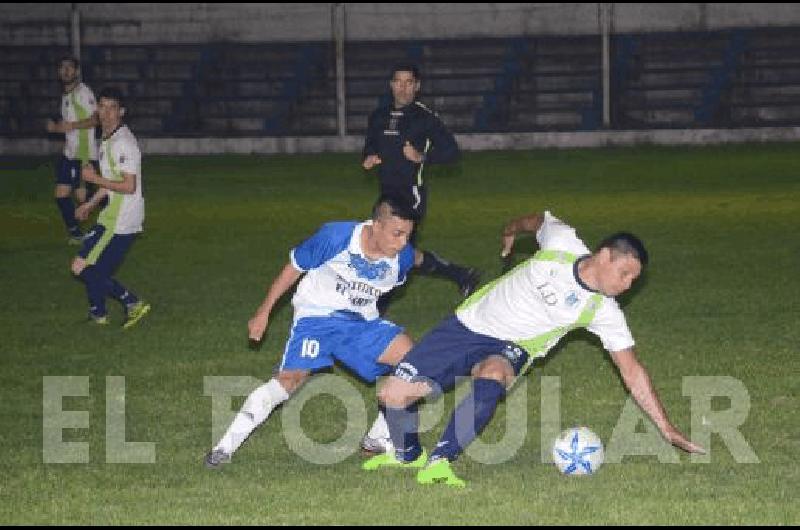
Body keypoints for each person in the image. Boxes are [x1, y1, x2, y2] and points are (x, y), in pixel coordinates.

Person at [363, 211, 706, 487]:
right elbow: (535, 221)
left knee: (494, 374)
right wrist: (511, 229)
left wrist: (666, 426)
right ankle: (407, 455)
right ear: (603, 256)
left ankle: (441, 460)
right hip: (466, 325)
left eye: (633, 279)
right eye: (625, 273)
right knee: (393, 396)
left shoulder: (603, 312)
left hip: (514, 346)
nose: (627, 284)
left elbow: (632, 370)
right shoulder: (562, 242)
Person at [204, 195, 420, 469]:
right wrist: (264, 311)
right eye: (397, 234)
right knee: (289, 379)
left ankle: (377, 439)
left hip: (362, 323)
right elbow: (294, 268)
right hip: (318, 318)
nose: (402, 243)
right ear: (376, 225)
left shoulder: (403, 258)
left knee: (418, 364)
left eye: (408, 236)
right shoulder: (336, 236)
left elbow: (385, 285)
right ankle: (223, 449)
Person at [362, 63, 480, 300]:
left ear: (417, 86)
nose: (403, 88)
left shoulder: (425, 118)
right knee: (393, 248)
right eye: (398, 82)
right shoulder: (378, 116)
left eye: (408, 83)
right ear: (391, 85)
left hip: (410, 194)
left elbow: (452, 152)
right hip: (386, 193)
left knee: (393, 250)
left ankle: (376, 305)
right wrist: (369, 156)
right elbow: (371, 144)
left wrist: (421, 157)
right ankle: (461, 274)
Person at [70, 87, 150, 329]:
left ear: (121, 112)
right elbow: (111, 183)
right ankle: (99, 315)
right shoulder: (107, 139)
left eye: (111, 107)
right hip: (111, 214)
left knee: (83, 268)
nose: (105, 113)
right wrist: (91, 204)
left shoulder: (123, 144)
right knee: (91, 269)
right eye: (102, 106)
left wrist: (93, 180)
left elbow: (128, 186)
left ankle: (132, 303)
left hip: (121, 219)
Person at [46, 56, 99, 244]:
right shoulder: (66, 96)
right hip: (70, 154)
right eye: (63, 68)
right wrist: (59, 128)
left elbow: (95, 119)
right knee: (61, 195)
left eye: (70, 68)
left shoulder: (83, 92)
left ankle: (110, 204)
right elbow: (69, 127)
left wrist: (68, 126)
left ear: (76, 72)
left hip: (82, 154)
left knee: (82, 199)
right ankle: (76, 235)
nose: (66, 71)